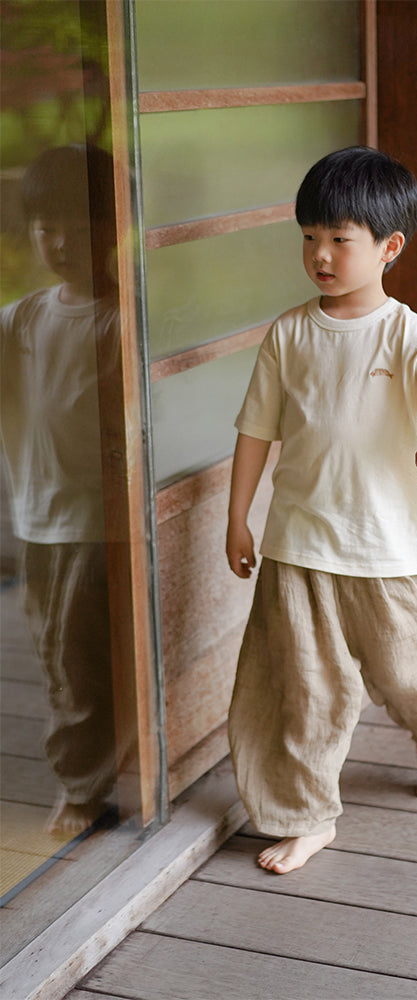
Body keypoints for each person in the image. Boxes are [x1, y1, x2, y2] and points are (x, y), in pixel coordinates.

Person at [226, 146, 417, 874]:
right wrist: (236, 517)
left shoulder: (403, 332)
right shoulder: (288, 334)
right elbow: (256, 431)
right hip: (300, 544)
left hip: (391, 549)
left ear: (388, 247)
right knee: (302, 690)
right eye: (309, 236)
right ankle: (307, 816)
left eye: (339, 239)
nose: (320, 254)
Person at [0, 145, 119, 837]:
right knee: (58, 652)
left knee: (80, 660)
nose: (63, 242)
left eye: (79, 223)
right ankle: (91, 770)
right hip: (39, 519)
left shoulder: (120, 321)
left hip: (97, 522)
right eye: (47, 226)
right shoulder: (23, 318)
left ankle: (83, 788)